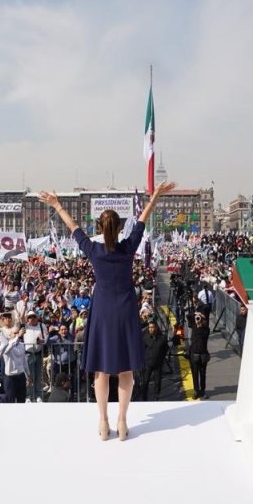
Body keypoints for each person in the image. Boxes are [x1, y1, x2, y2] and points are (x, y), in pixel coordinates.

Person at [40, 180, 175, 440]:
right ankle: (122, 422)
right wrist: (155, 195)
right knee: (125, 370)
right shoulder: (128, 248)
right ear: (121, 227)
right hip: (125, 309)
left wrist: (57, 204)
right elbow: (142, 221)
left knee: (101, 369)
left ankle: (103, 422)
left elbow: (72, 226)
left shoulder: (93, 249)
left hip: (102, 309)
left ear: (99, 228)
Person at [137, 320, 169, 401]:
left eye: (152, 327)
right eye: (150, 327)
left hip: (158, 364)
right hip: (148, 364)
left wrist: (161, 358)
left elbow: (165, 349)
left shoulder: (163, 338)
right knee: (145, 381)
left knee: (157, 382)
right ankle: (144, 398)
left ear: (156, 328)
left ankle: (156, 397)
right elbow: (142, 349)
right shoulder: (145, 337)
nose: (151, 329)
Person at [186, 310, 211, 400]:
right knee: (195, 374)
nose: (198, 320)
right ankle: (196, 390)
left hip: (203, 355)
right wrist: (195, 314)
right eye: (197, 319)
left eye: (200, 319)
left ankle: (203, 390)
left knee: (203, 374)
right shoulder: (193, 326)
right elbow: (188, 316)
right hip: (194, 355)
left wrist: (202, 317)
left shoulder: (206, 329)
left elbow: (205, 331)